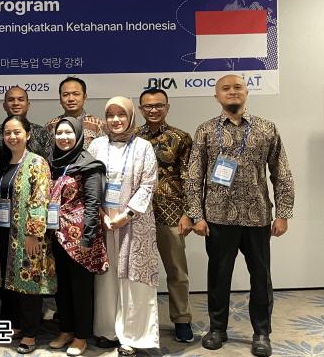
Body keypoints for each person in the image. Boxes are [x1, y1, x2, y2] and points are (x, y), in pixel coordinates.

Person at [181, 75, 294, 357]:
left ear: (247, 92)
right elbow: (193, 177)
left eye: (237, 87)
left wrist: (283, 213)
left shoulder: (267, 129)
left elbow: (281, 173)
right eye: (225, 88)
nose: (232, 92)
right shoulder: (206, 130)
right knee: (219, 277)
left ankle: (262, 333)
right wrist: (196, 215)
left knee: (261, 277)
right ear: (216, 96)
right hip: (218, 218)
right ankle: (217, 329)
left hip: (257, 217)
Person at [88, 96, 159, 356]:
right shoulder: (96, 146)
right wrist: (101, 214)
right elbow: (89, 182)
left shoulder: (143, 146)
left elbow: (149, 184)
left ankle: (133, 336)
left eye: (121, 115)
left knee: (133, 279)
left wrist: (126, 215)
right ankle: (107, 330)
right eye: (110, 115)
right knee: (105, 277)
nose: (115, 120)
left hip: (134, 222)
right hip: (103, 221)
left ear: (130, 117)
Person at [135, 88, 195, 343]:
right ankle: (138, 322)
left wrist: (189, 213)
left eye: (159, 105)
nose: (153, 110)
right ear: (140, 109)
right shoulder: (132, 137)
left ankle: (182, 319)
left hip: (171, 214)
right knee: (137, 272)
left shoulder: (180, 138)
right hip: (137, 215)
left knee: (177, 271)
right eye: (148, 106)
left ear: (167, 108)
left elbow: (191, 178)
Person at [48, 117, 108, 357]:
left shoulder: (89, 164)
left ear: (79, 135)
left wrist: (87, 238)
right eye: (59, 133)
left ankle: (81, 336)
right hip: (56, 235)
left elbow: (93, 204)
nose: (63, 137)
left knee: (80, 288)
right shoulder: (54, 162)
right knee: (61, 286)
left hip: (79, 238)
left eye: (69, 133)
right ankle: (66, 330)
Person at [0, 115, 55, 354]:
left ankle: (30, 334)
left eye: (17, 132)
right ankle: (18, 324)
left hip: (27, 234)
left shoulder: (37, 162)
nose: (12, 137)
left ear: (28, 134)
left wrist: (34, 233)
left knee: (30, 280)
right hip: (5, 232)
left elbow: (40, 198)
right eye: (7, 133)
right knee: (12, 281)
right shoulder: (4, 162)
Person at [0, 86, 52, 158]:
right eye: (11, 100)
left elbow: (48, 162)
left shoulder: (42, 133)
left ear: (28, 105)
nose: (16, 103)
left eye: (21, 100)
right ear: (4, 106)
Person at [45, 76, 106, 151]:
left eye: (76, 94)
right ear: (60, 99)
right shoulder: (51, 126)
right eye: (65, 95)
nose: (71, 99)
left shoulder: (98, 125)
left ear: (84, 97)